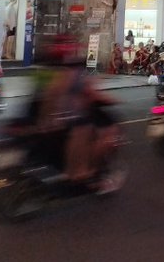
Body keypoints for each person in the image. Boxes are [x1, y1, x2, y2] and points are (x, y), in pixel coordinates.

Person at [30, 34, 118, 192]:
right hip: (69, 115)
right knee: (96, 131)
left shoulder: (50, 68)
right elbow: (59, 92)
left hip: (56, 115)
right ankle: (81, 171)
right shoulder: (69, 71)